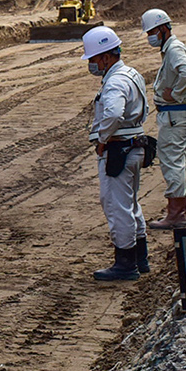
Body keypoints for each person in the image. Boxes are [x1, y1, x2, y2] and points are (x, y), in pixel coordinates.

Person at [82, 25, 150, 281]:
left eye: (93, 59)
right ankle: (140, 258)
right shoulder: (131, 74)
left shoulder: (115, 82)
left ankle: (125, 264)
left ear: (106, 57)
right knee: (131, 204)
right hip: (134, 146)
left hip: (119, 150)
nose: (91, 64)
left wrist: (102, 139)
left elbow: (112, 114)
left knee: (116, 206)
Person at [141, 8, 186, 229]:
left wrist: (175, 94)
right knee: (180, 159)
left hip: (175, 114)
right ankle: (185, 208)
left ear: (164, 28)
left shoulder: (174, 49)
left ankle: (175, 214)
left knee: (171, 161)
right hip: (176, 114)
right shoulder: (171, 48)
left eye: (153, 31)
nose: (150, 37)